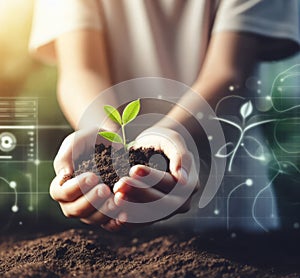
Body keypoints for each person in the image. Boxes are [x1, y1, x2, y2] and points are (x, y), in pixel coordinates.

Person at [29, 0, 300, 231]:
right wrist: (101, 135)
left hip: (228, 214)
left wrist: (166, 133)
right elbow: (80, 69)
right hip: (116, 231)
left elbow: (227, 72)